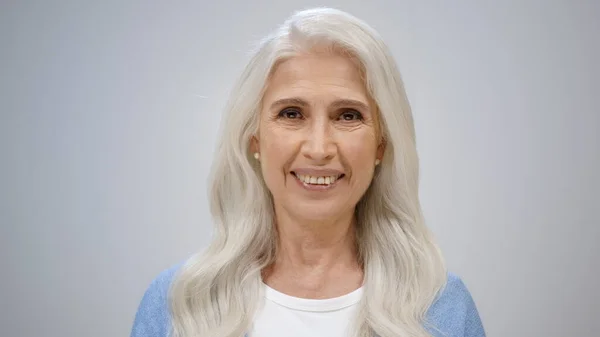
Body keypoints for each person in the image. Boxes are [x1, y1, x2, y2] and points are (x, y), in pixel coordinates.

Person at [130, 7, 485, 337]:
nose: (318, 148)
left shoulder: (442, 310)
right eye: (291, 113)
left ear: (381, 144)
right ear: (254, 138)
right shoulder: (178, 305)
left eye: (348, 115)